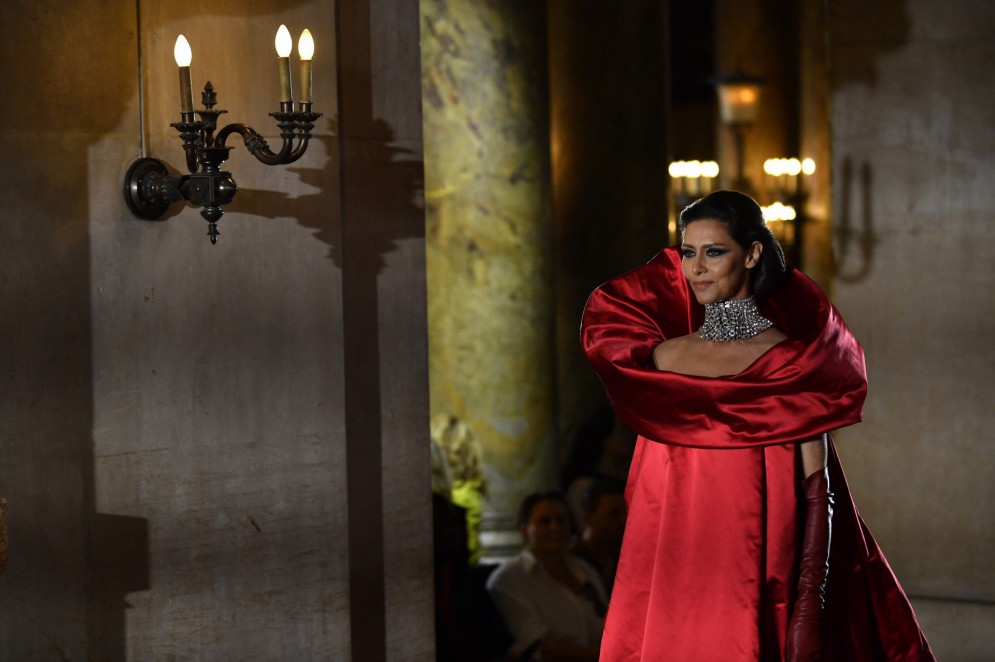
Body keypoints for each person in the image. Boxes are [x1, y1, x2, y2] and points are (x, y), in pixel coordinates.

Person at [581, 190, 934, 661]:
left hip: (760, 572)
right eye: (688, 252)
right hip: (673, 572)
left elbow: (819, 497)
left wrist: (808, 607)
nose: (697, 268)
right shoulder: (662, 361)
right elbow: (646, 491)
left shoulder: (793, 364)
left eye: (714, 252)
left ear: (751, 255)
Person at [487, 491, 607, 662]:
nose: (555, 528)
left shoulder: (584, 570)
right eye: (545, 522)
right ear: (525, 530)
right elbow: (536, 647)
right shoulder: (509, 579)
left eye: (561, 520)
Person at [569, 480, 626, 594]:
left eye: (626, 513)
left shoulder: (621, 557)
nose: (624, 520)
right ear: (588, 517)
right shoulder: (572, 562)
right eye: (613, 514)